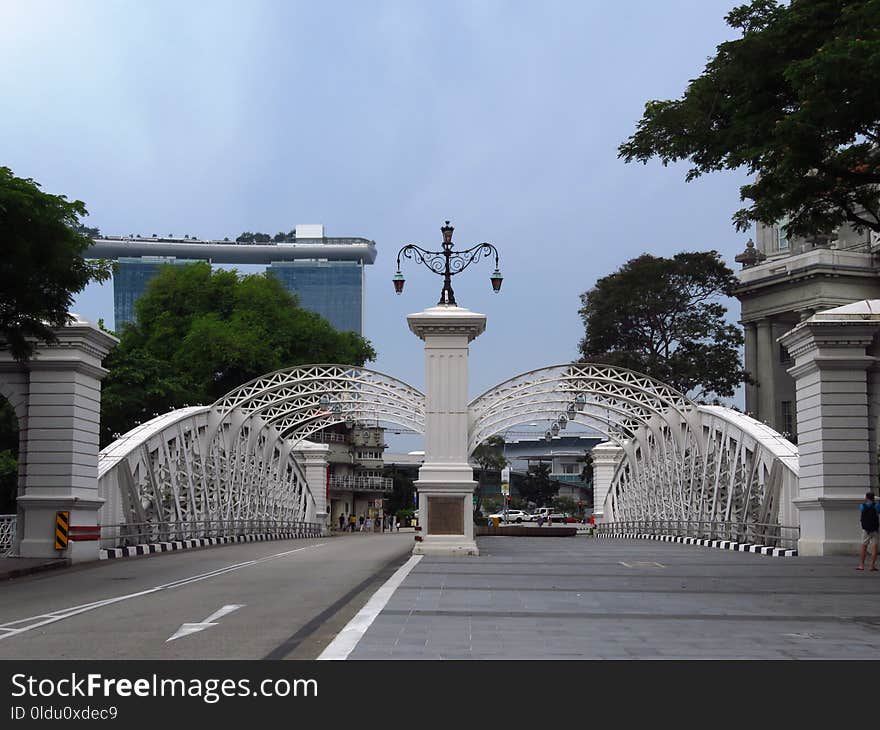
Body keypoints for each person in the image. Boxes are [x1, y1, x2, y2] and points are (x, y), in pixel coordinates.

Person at [858, 491, 880, 571]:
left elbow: (862, 512)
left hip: (866, 529)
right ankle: (871, 566)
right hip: (875, 529)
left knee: (864, 546)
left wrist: (865, 502)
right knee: (874, 547)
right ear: (873, 498)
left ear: (866, 497)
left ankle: (861, 565)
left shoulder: (862, 506)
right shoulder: (877, 506)